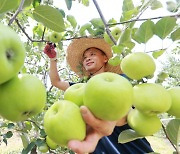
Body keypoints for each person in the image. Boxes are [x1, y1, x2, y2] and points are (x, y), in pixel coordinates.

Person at [44, 38, 154, 154]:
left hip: (130, 146)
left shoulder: (121, 80)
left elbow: (131, 110)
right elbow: (56, 82)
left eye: (92, 54)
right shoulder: (82, 88)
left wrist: (114, 118)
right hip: (98, 148)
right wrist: (53, 59)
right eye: (85, 57)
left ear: (105, 59)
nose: (88, 58)